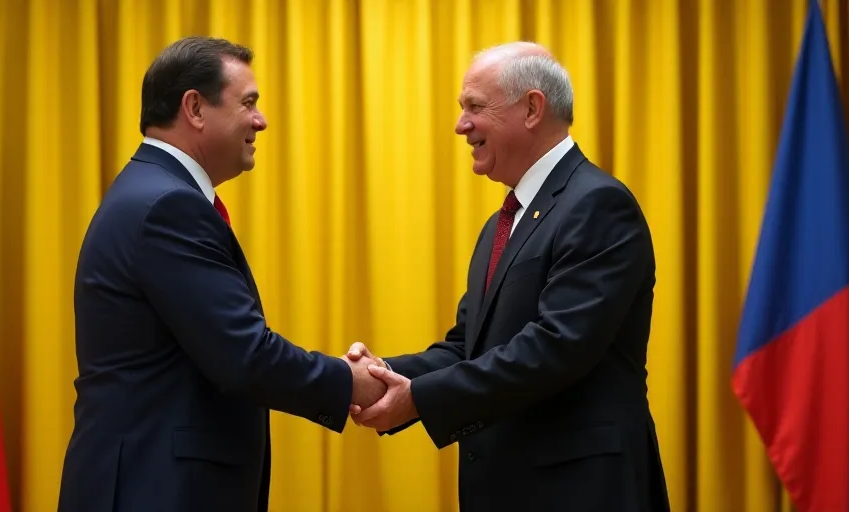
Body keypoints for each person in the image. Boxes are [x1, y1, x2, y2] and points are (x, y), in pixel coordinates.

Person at [57, 37, 386, 512]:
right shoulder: (167, 205)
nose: (261, 119)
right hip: (155, 489)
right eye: (248, 102)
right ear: (194, 107)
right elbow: (245, 356)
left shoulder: (151, 192)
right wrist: (351, 382)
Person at [346, 42, 670, 511]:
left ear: (532, 108)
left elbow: (556, 347)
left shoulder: (598, 204)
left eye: (474, 107)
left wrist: (419, 398)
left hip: (580, 490)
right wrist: (381, 375)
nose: (460, 125)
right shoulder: (503, 222)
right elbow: (466, 348)